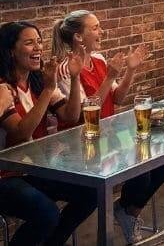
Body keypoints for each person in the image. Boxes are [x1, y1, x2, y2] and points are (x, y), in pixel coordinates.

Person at [50, 11, 164, 243]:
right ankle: (126, 210)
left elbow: (117, 98)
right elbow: (83, 113)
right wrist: (109, 78)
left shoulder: (98, 60)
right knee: (142, 166)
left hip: (107, 136)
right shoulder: (66, 69)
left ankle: (127, 209)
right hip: (79, 144)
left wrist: (130, 70)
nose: (101, 32)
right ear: (78, 37)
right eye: (95, 28)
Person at [0, 21, 96, 245]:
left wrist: (74, 78)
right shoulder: (4, 88)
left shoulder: (36, 82)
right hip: (6, 176)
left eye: (39, 42)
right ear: (10, 51)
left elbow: (70, 116)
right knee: (47, 213)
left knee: (90, 192)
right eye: (29, 43)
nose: (38, 48)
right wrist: (49, 89)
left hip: (35, 169)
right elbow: (19, 134)